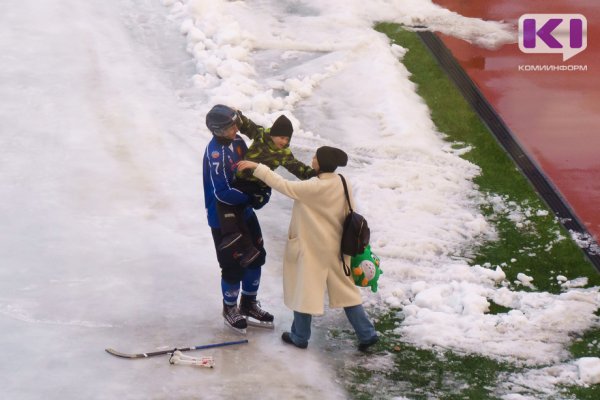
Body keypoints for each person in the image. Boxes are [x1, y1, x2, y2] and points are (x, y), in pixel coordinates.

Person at [238, 146, 379, 351]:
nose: (312, 159)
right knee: (347, 292)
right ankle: (367, 334)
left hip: (312, 249)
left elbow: (283, 185)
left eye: (315, 157)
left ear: (320, 163)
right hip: (338, 247)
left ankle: (300, 336)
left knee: (304, 290)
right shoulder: (342, 181)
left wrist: (257, 167)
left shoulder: (313, 187)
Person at [202, 104, 274, 333]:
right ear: (218, 130)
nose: (236, 128)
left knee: (257, 257)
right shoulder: (215, 154)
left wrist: (260, 189)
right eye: (231, 126)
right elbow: (221, 192)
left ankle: (249, 303)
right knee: (232, 266)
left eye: (236, 123)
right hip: (224, 219)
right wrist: (251, 197)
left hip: (245, 211)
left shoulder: (239, 142)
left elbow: (249, 173)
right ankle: (230, 307)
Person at [216, 111, 317, 268]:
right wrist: (236, 115)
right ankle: (246, 246)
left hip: (258, 187)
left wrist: (317, 175)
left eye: (287, 139)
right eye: (282, 137)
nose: (284, 142)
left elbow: (298, 169)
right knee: (232, 206)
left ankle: (233, 234)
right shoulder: (261, 135)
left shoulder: (283, 154)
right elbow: (247, 125)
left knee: (227, 200)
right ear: (274, 134)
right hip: (243, 181)